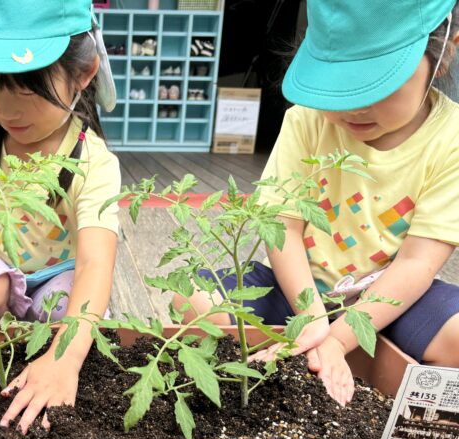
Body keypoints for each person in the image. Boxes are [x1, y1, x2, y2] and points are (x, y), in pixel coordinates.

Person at [178, 0, 459, 406]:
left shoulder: (450, 139)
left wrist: (340, 339)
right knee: (191, 298)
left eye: (378, 80)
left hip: (395, 300)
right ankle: (356, 354)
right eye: (339, 83)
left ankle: (349, 348)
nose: (355, 106)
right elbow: (283, 227)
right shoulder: (306, 120)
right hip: (296, 288)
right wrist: (310, 318)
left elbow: (417, 264)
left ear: (444, 53)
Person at [0, 0, 120, 434]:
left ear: (84, 72)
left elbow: (95, 262)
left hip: (59, 272)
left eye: (29, 88)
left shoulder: (93, 161)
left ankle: (44, 355)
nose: (8, 110)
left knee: (64, 312)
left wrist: (63, 358)